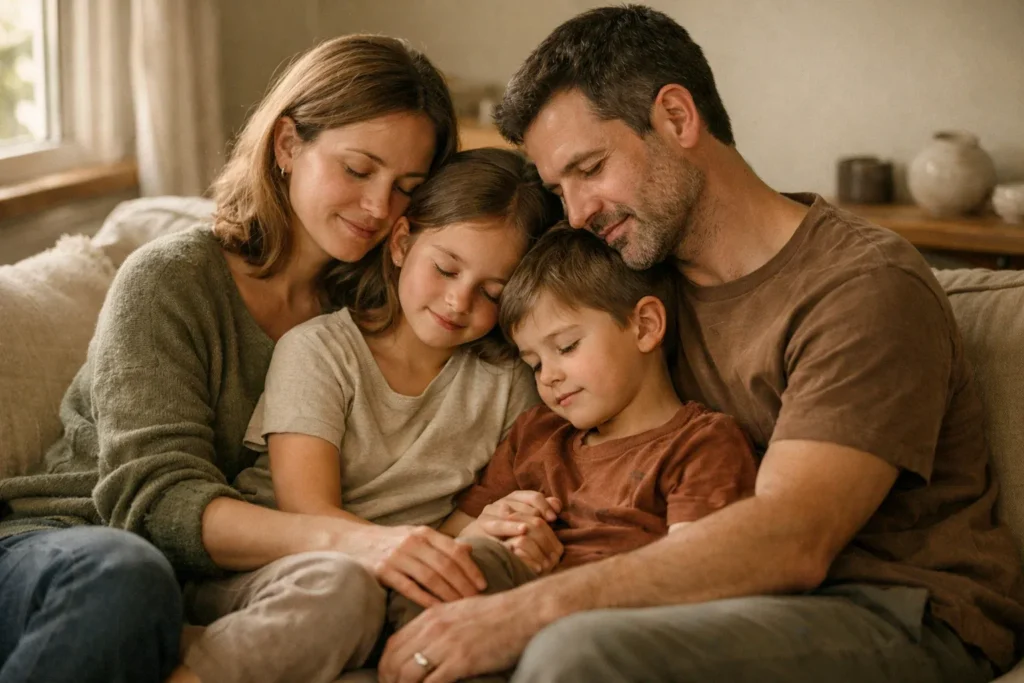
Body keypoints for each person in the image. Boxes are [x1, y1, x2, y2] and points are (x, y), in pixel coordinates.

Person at [378, 6, 1024, 683]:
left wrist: (526, 612)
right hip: (728, 606)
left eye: (590, 168)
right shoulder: (633, 282)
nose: (575, 213)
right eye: (559, 189)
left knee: (575, 652)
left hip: (894, 606)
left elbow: (793, 537)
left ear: (678, 118)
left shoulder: (861, 285)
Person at [0, 34, 458, 683]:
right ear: (288, 145)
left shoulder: (381, 309)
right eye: (358, 170)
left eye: (408, 187)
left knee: (348, 590)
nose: (379, 207)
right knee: (127, 578)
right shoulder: (170, 279)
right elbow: (155, 503)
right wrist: (356, 538)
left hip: (223, 580)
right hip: (71, 551)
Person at [185, 147, 562, 682]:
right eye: (447, 269)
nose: (459, 301)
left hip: (399, 588)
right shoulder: (319, 351)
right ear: (403, 243)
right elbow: (307, 511)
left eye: (492, 293)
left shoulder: (510, 386)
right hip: (280, 572)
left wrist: (500, 529)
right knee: (344, 589)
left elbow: (460, 524)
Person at [386, 226, 757, 680]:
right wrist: (490, 528)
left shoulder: (701, 444)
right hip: (500, 605)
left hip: (607, 628)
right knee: (425, 580)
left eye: (566, 347)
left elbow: (696, 578)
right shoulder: (538, 434)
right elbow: (452, 540)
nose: (549, 378)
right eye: (534, 363)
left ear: (645, 326)